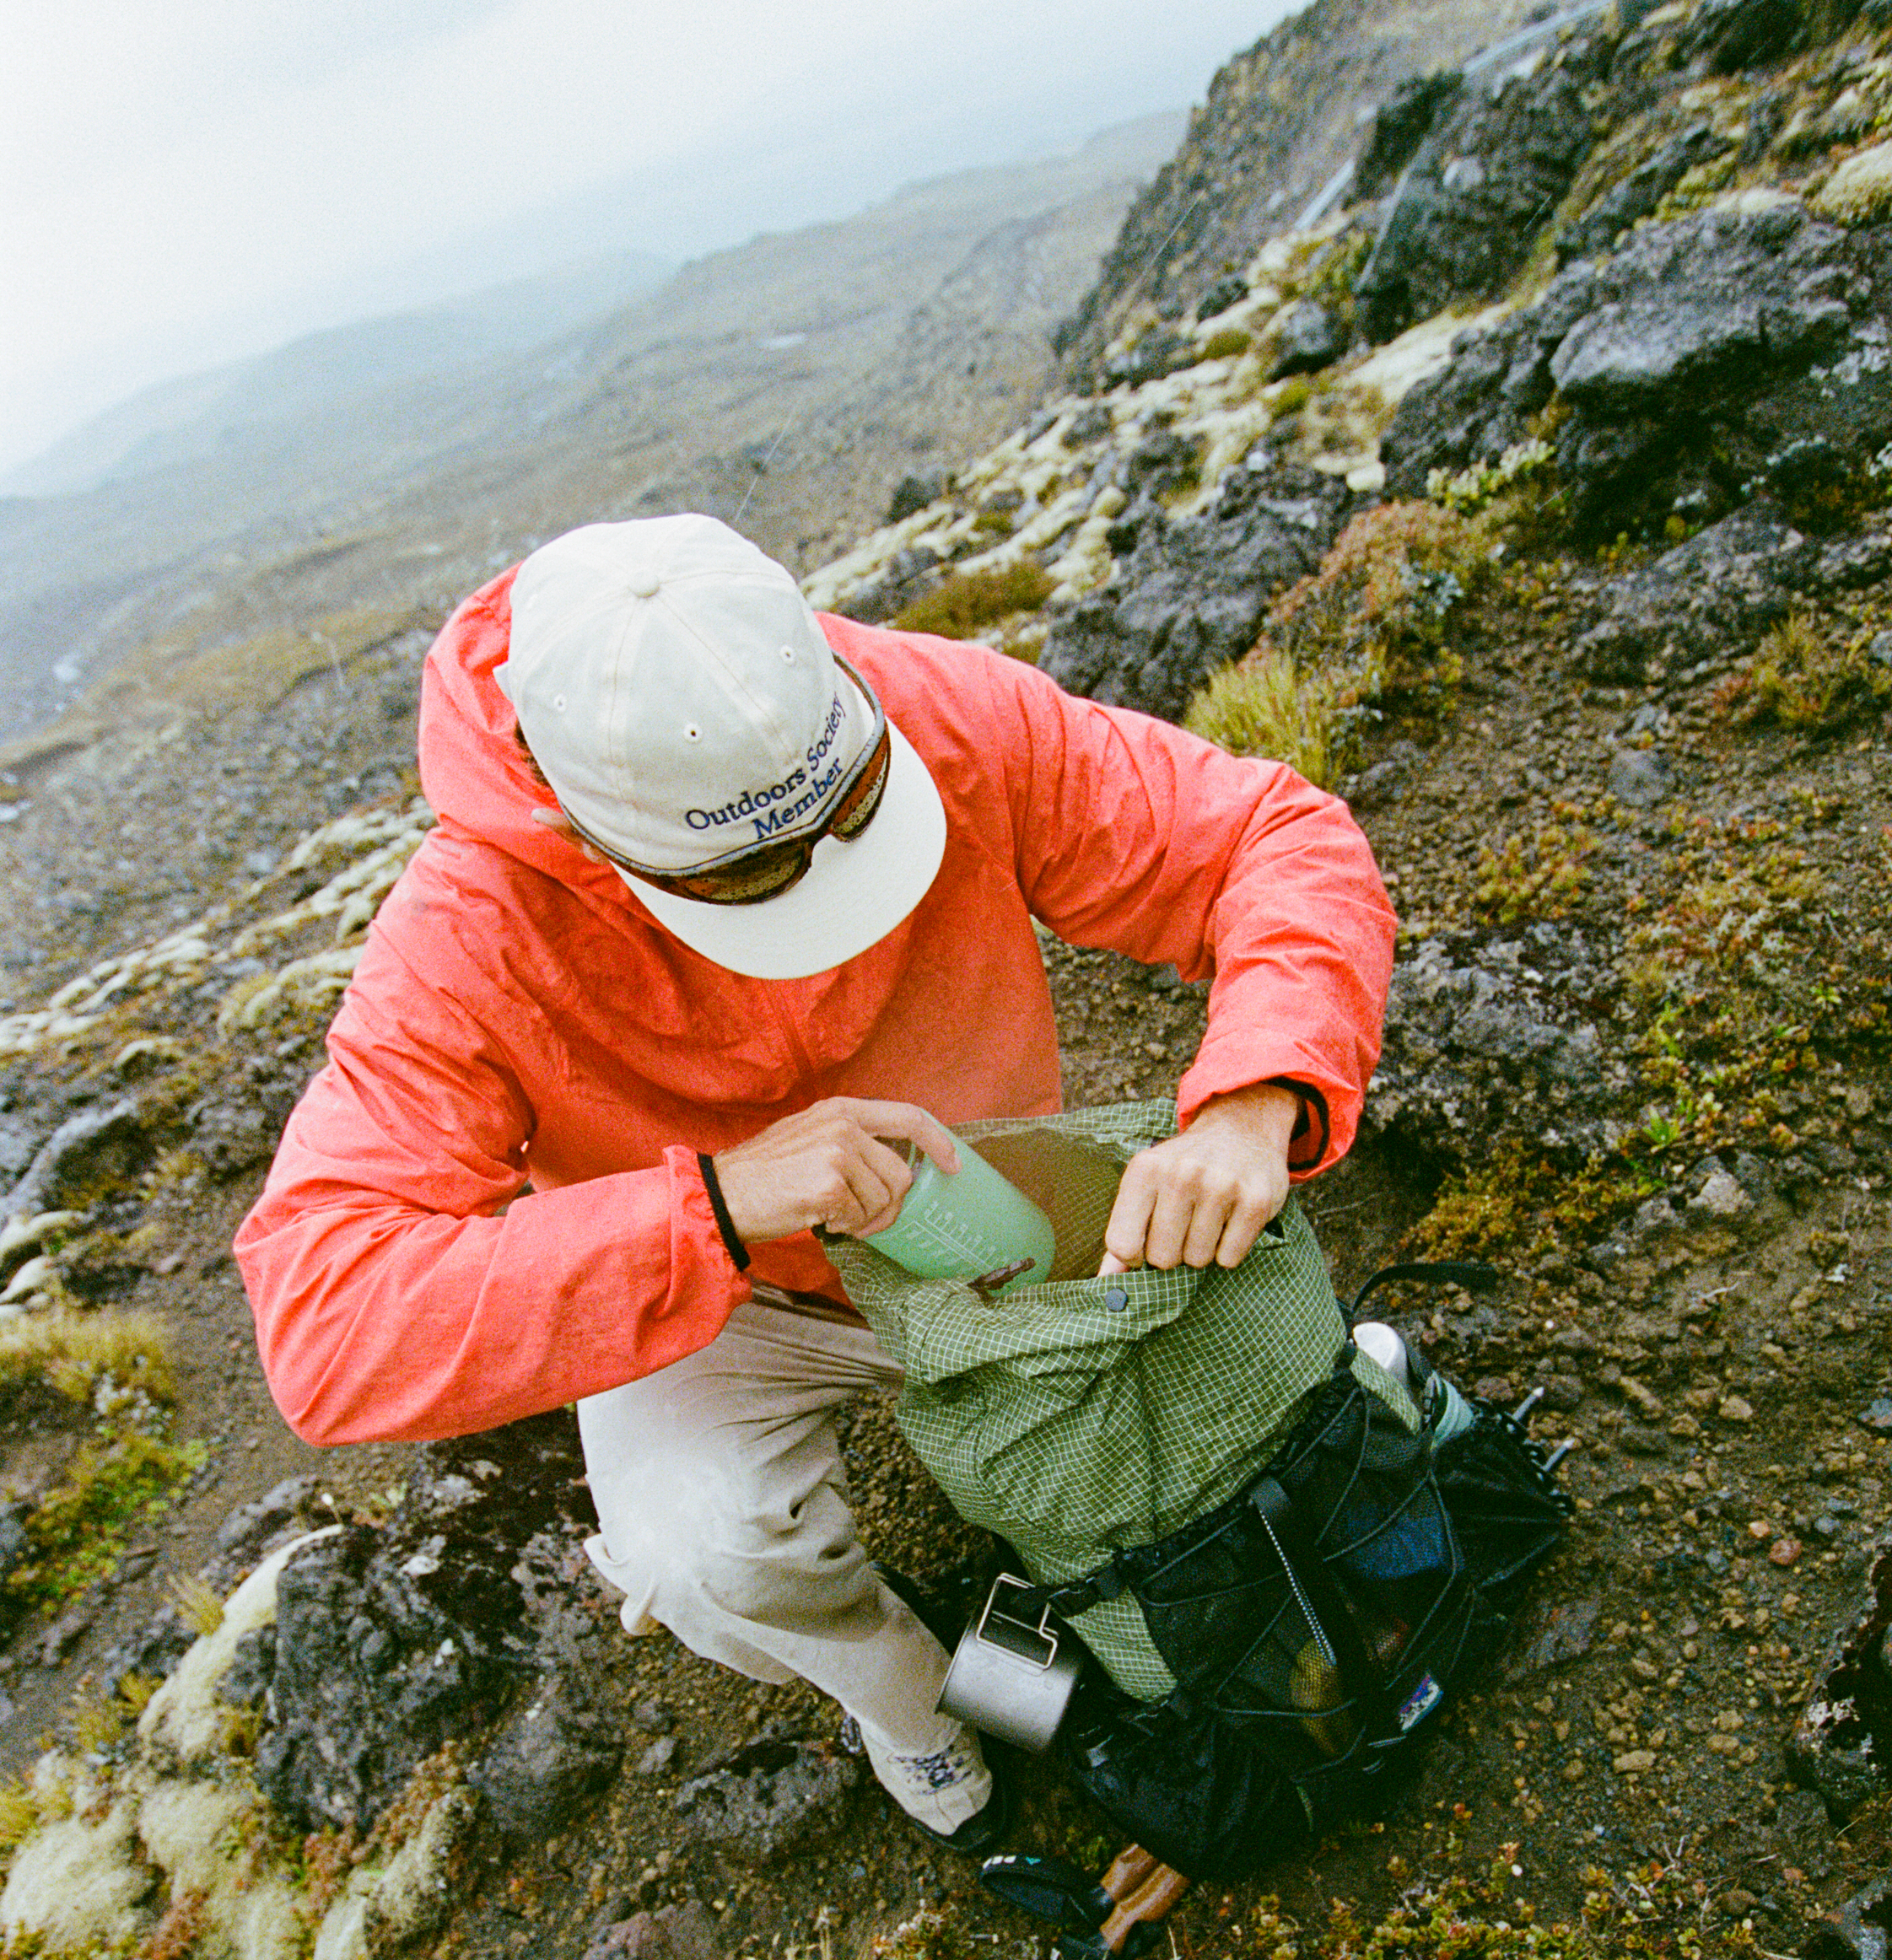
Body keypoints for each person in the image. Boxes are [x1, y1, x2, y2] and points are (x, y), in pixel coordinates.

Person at [235, 514, 1395, 1854]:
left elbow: (1266, 839)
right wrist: (716, 1204)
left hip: (994, 1224)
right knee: (704, 1556)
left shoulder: (941, 708)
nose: (826, 886)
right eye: (753, 874)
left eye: (854, 815)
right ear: (583, 831)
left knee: (1213, 1434)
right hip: (722, 1296)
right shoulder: (468, 943)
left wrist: (1255, 1101)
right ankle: (913, 1698)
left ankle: (1116, 1568)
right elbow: (323, 1320)